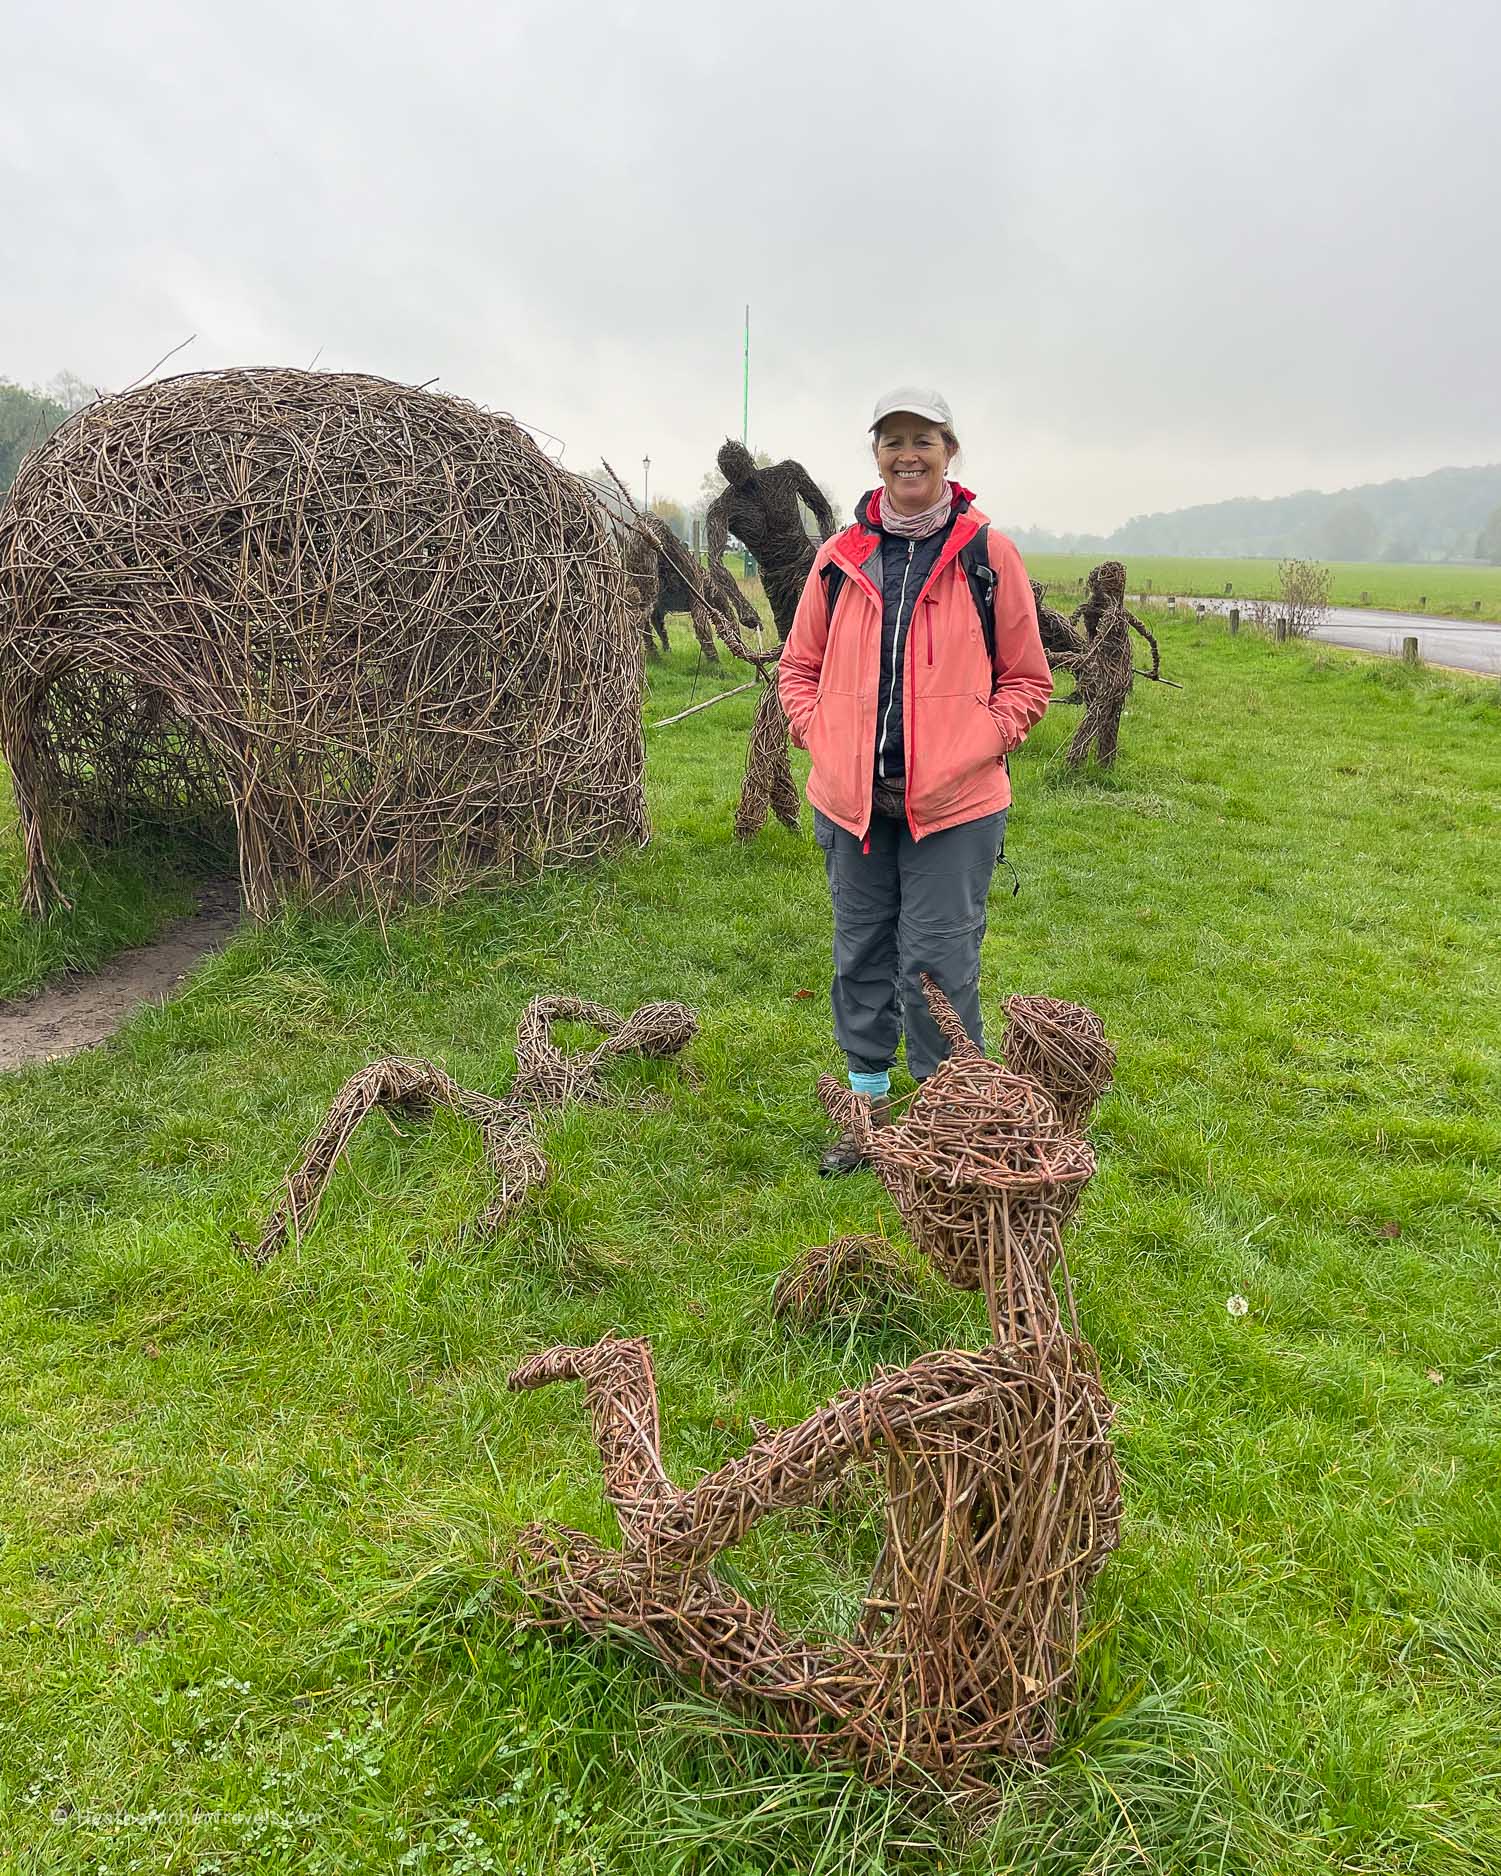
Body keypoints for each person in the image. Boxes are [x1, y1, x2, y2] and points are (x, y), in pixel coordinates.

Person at [778, 388, 1052, 1173]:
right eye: (893, 440)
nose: (908, 454)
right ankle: (866, 1110)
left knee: (936, 964)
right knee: (860, 952)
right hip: (853, 801)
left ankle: (942, 1121)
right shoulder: (838, 559)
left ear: (948, 451)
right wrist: (820, 737)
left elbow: (1027, 680)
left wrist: (980, 740)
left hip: (955, 806)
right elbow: (798, 667)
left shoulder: (985, 554)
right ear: (875, 455)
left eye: (923, 440)